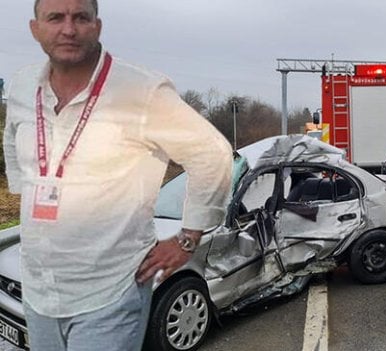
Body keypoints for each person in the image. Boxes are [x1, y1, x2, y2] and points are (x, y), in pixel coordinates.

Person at [2, 1, 233, 350]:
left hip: (109, 292)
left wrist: (188, 238)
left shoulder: (141, 91)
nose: (68, 28)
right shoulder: (22, 87)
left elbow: (212, 153)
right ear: (35, 28)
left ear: (97, 26)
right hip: (38, 290)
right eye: (55, 18)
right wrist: (29, 190)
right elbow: (12, 141)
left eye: (81, 17)